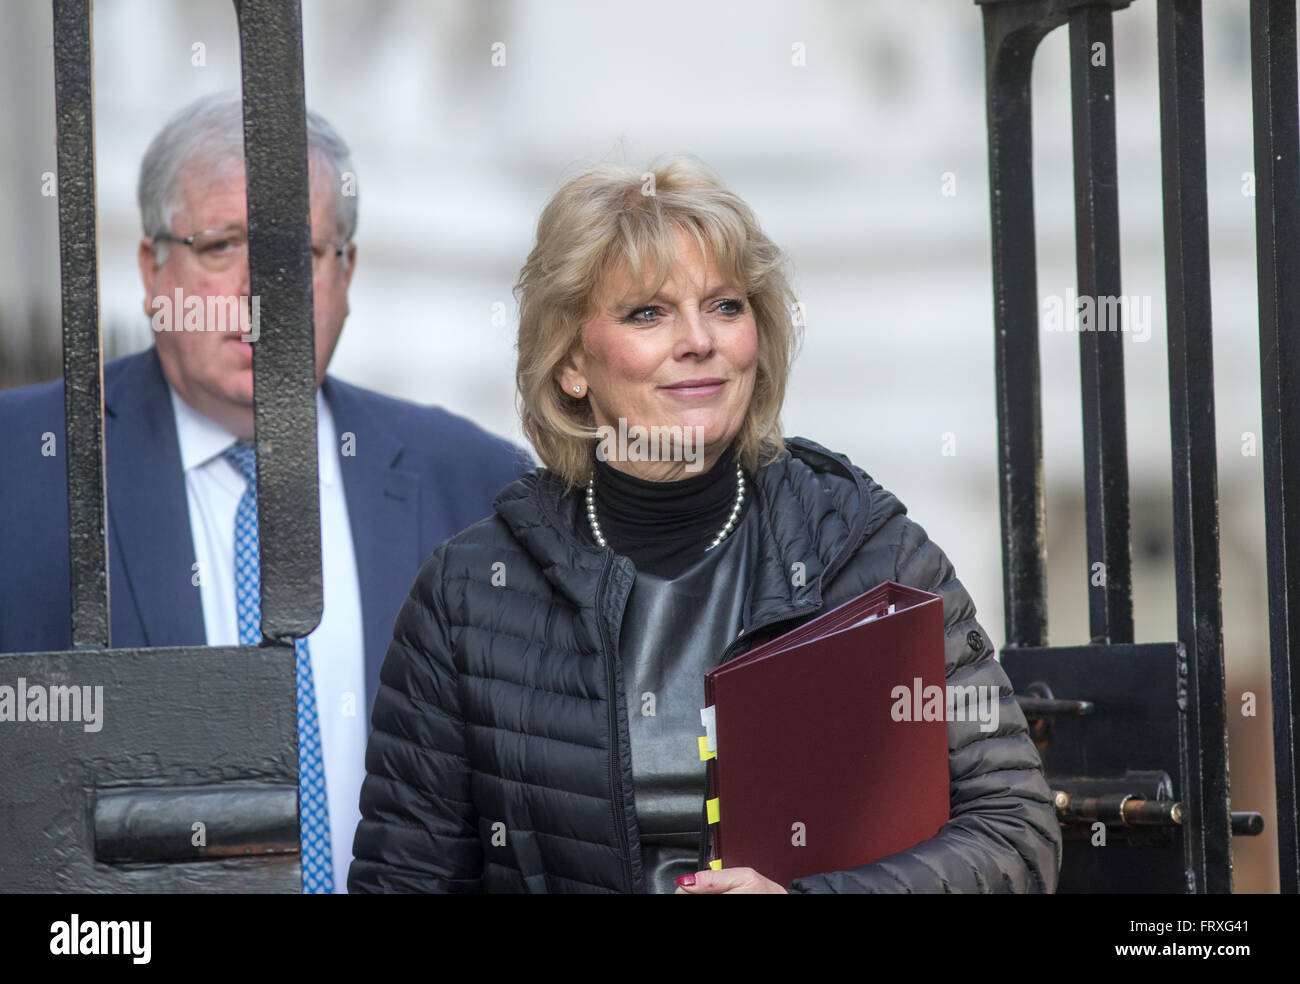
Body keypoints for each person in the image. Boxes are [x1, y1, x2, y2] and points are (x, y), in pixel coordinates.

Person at [349, 156, 1062, 893]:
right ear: (570, 364)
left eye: (725, 305)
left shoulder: (865, 549)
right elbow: (405, 880)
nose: (700, 340)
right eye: (647, 313)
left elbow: (1014, 831)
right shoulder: (470, 592)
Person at [0, 93, 531, 894]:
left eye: (298, 253)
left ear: (344, 272)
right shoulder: (25, 463)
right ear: (152, 270)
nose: (259, 292)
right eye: (219, 247)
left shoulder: (474, 480)